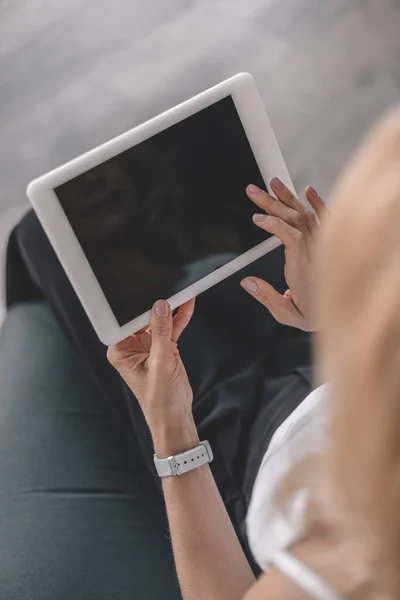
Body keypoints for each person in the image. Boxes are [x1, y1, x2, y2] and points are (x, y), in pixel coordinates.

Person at [1, 107, 399, 600]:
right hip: (340, 370)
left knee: (40, 236)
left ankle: (49, 289)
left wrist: (171, 427)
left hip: (242, 439)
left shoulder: (344, 560)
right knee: (239, 229)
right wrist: (337, 313)